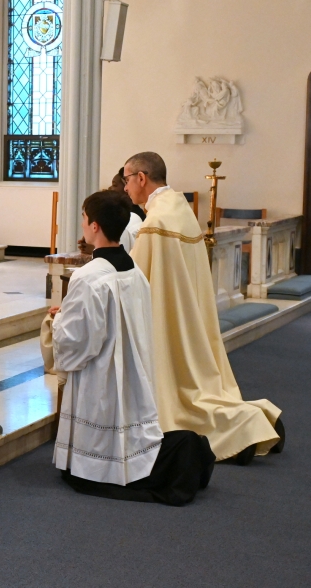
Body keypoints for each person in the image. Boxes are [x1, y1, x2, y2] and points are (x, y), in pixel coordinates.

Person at [50, 190, 215, 506]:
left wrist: (58, 323)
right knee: (126, 436)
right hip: (133, 373)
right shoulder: (134, 271)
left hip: (101, 378)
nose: (83, 225)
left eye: (84, 219)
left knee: (92, 458)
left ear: (95, 226)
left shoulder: (89, 277)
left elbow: (78, 343)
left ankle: (97, 467)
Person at [123, 151, 283, 464]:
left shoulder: (156, 222)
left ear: (141, 178)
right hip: (188, 315)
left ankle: (245, 426)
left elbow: (135, 277)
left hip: (168, 320)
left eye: (127, 180)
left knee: (182, 400)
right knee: (201, 387)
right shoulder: (180, 209)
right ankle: (255, 418)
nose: (126, 188)